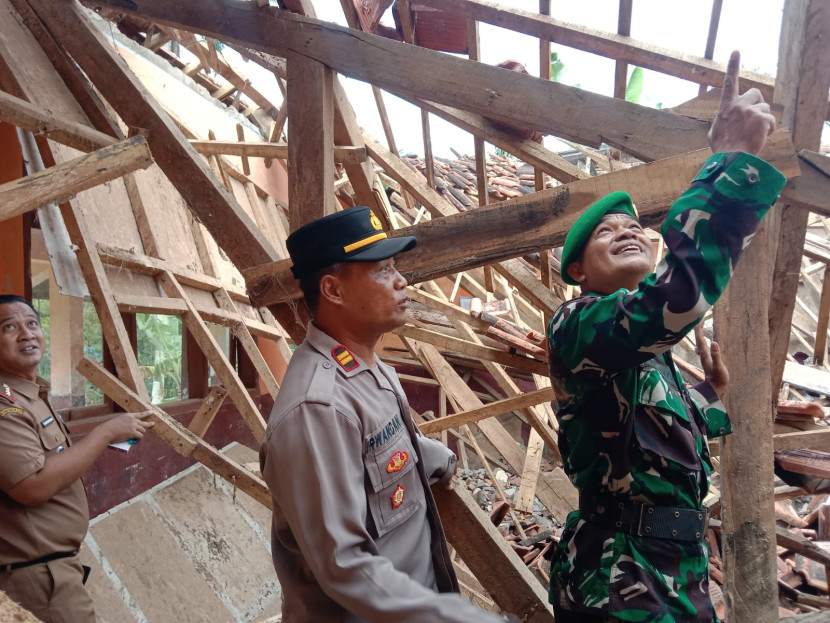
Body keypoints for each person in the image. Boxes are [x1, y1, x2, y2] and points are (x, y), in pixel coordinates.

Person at [545, 50, 784, 623]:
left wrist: (709, 393)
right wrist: (728, 161)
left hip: (674, 569)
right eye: (607, 231)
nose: (628, 230)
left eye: (635, 226)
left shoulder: (646, 350)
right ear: (579, 270)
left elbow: (647, 437)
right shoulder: (577, 326)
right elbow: (674, 297)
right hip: (620, 576)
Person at [259, 206, 510, 622]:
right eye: (382, 270)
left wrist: (437, 459)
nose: (401, 281)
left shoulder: (367, 368)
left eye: (395, 266)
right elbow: (346, 566)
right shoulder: (317, 409)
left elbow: (382, 450)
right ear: (333, 290)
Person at [0, 294, 153, 622]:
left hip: (53, 570)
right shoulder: (5, 406)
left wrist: (107, 438)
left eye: (32, 323)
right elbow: (31, 486)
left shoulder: (34, 396)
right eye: (9, 327)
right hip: (38, 577)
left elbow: (51, 461)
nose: (26, 334)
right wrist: (103, 434)